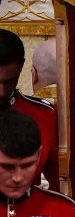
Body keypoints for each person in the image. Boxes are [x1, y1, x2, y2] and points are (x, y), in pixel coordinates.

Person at [0, 28, 57, 187]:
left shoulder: (44, 116)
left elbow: (61, 183)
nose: (2, 91)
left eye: (9, 81)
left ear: (22, 66)